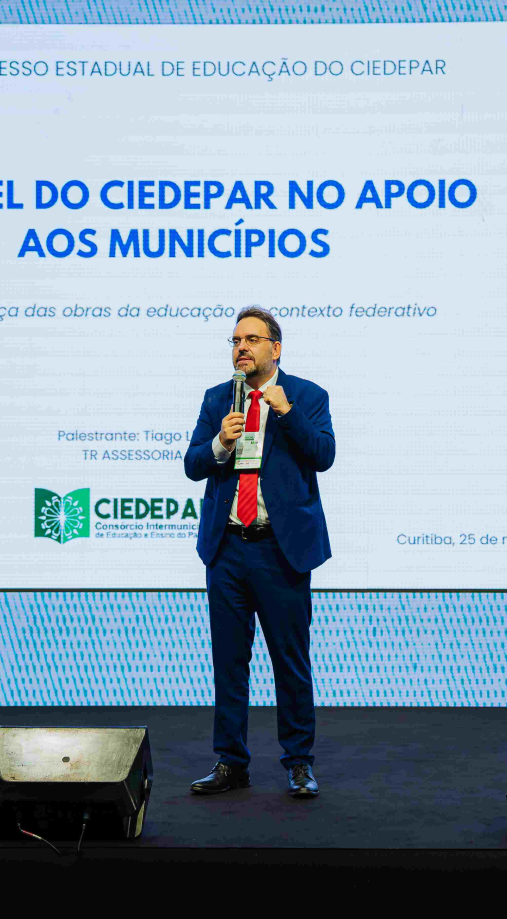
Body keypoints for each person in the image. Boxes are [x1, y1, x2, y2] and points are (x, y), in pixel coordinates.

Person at [182, 306, 335, 798]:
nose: (241, 348)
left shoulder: (307, 396)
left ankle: (299, 762)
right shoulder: (217, 398)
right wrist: (219, 444)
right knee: (229, 662)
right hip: (227, 549)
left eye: (251, 340)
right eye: (235, 341)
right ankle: (231, 762)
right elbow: (192, 464)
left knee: (290, 662)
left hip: (280, 550)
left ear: (276, 348)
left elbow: (324, 456)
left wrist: (287, 413)